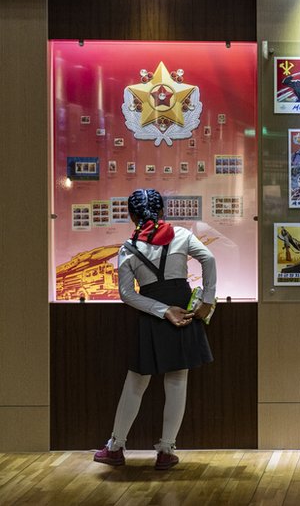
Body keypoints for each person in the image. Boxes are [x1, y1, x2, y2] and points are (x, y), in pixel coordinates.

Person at [93, 188, 216, 470]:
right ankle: (166, 451)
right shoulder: (182, 235)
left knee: (136, 382)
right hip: (183, 307)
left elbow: (126, 294)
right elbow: (208, 259)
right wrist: (207, 300)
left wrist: (161, 311)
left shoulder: (128, 247)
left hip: (151, 314)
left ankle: (116, 447)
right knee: (177, 381)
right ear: (162, 211)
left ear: (131, 215)